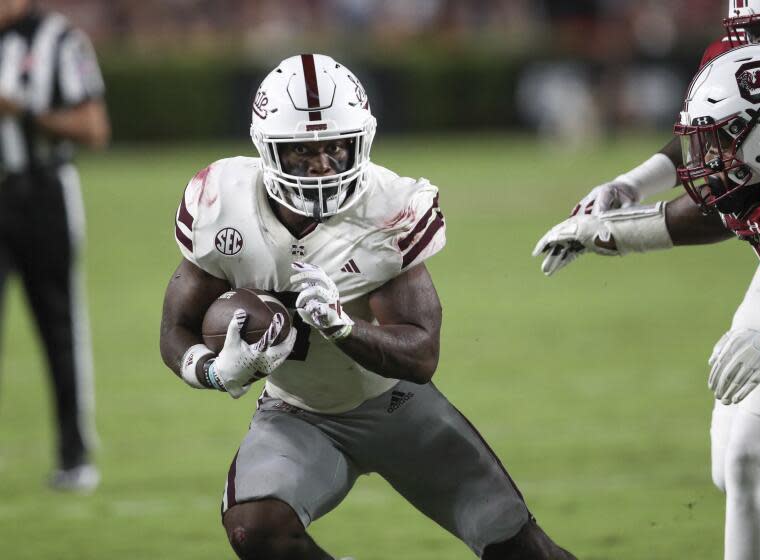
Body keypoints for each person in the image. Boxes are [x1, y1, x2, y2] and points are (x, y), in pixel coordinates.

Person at [159, 54, 577, 560]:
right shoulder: (221, 202)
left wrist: (343, 329)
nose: (321, 166)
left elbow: (421, 355)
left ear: (363, 140)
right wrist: (213, 371)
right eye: (302, 152)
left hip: (395, 407)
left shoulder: (388, 207)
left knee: (520, 551)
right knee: (255, 528)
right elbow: (177, 326)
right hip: (296, 413)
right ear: (267, 150)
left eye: (336, 148)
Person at [546, 0, 760, 554]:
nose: (748, 46)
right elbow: (729, 179)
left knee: (753, 452)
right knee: (735, 465)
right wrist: (622, 206)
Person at [0, 0, 109, 492]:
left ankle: (75, 456)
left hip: (43, 194)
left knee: (59, 327)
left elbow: (93, 129)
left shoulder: (59, 40)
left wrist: (22, 112)